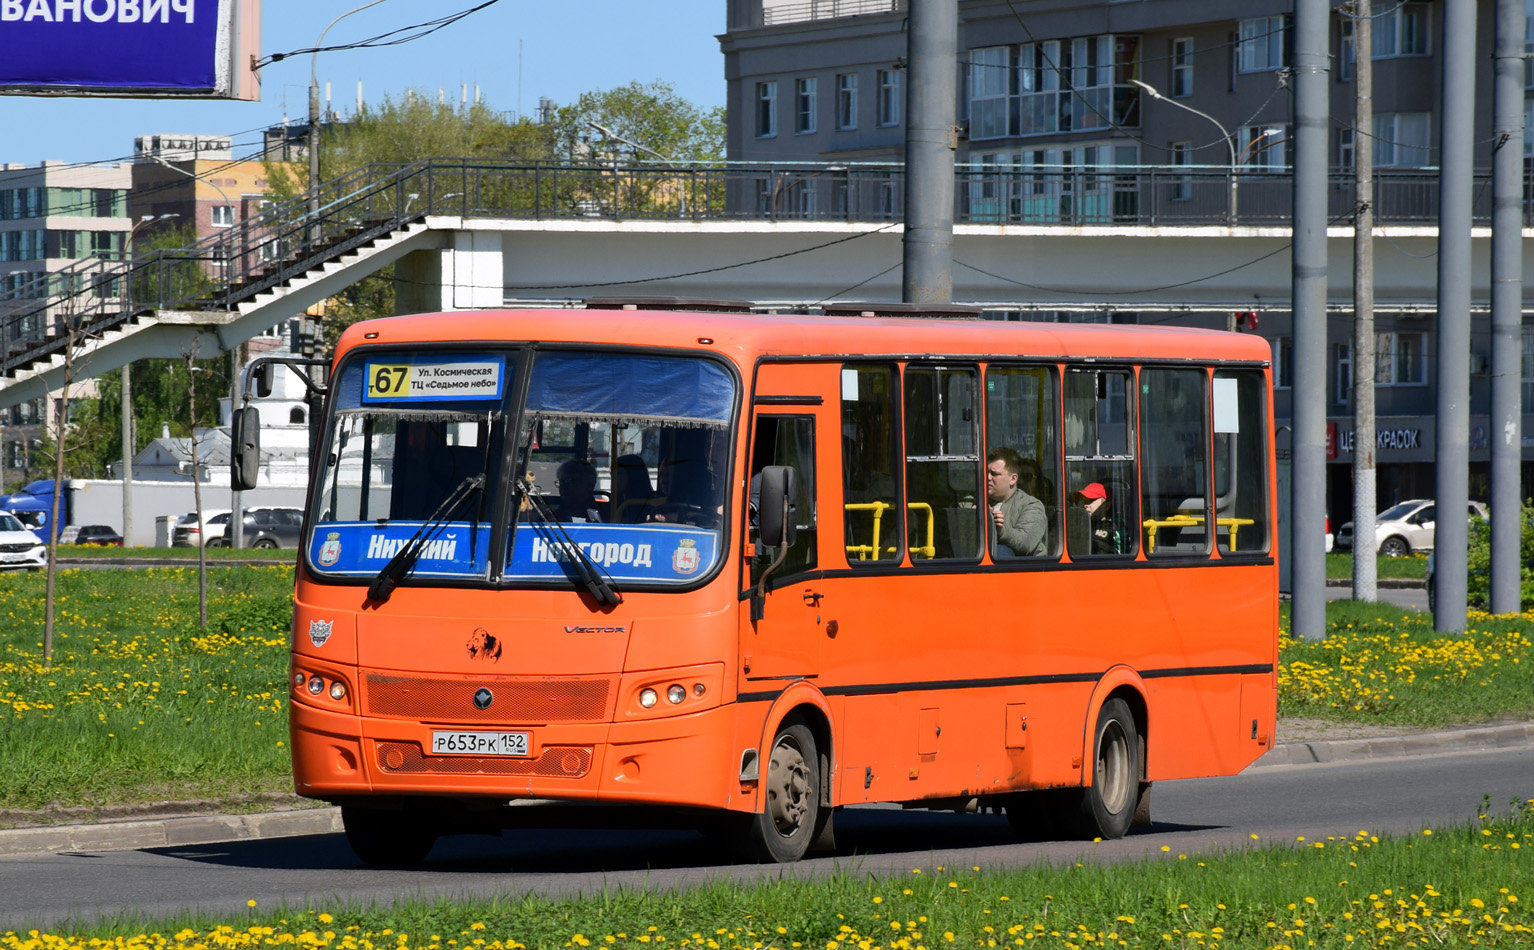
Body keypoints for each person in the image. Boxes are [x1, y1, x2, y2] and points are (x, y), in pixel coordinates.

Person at [987, 447, 1046, 557]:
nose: (987, 477)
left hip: (1026, 570)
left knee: (1001, 552)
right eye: (986, 472)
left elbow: (1026, 542)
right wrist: (970, 519)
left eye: (994, 474)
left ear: (1013, 479)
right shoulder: (977, 501)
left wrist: (1001, 529)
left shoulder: (1031, 505)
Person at [1072, 481, 1122, 554]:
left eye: (1091, 500)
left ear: (1107, 505)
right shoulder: (1081, 524)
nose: (1085, 505)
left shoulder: (1113, 528)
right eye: (1085, 501)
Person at [611, 454, 661, 524]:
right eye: (612, 474)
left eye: (619, 474)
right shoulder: (616, 503)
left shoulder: (648, 506)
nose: (614, 479)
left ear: (633, 475)